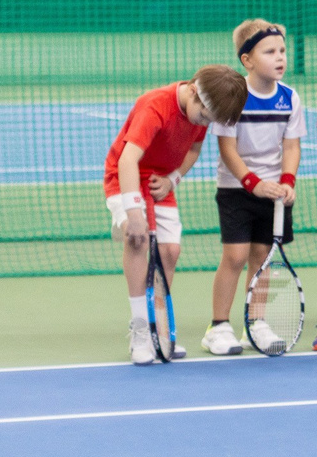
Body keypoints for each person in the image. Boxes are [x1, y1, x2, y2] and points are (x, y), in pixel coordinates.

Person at [104, 64, 246, 365]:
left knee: (170, 251)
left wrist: (173, 179)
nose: (205, 122)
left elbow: (193, 149)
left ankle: (159, 326)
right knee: (138, 240)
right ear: (194, 91)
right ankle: (142, 328)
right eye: (205, 116)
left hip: (160, 181)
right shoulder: (155, 105)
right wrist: (134, 211)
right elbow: (128, 159)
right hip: (125, 177)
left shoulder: (205, 108)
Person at [205, 19, 304, 358]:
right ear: (247, 60)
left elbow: (291, 147)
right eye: (270, 52)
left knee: (262, 260)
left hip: (274, 192)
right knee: (234, 257)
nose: (280, 58)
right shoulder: (233, 97)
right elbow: (227, 150)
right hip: (236, 189)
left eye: (282, 51)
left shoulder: (290, 97)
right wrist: (253, 184)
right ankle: (218, 326)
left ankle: (255, 323)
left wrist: (286, 181)